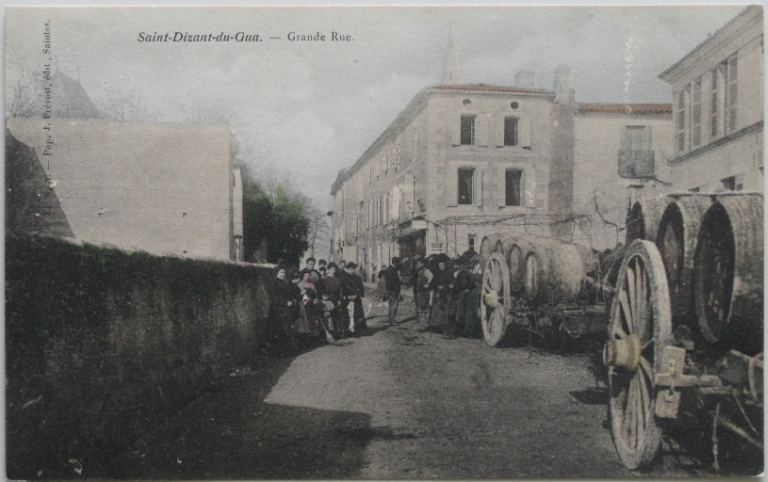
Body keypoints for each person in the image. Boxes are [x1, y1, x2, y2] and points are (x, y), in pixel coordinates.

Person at [266, 265, 301, 355]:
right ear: (276, 273)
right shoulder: (273, 283)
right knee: (279, 330)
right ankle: (279, 352)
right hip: (277, 310)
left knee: (287, 329)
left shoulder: (284, 283)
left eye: (284, 272)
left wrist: (291, 300)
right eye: (281, 272)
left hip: (285, 310)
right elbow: (274, 297)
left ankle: (287, 350)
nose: (283, 274)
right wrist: (285, 303)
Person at [449, 250, 481, 338]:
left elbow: (473, 280)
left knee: (460, 311)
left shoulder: (465, 271)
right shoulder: (466, 271)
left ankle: (458, 331)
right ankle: (463, 330)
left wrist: (466, 288)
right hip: (463, 291)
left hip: (464, 292)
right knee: (463, 311)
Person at [317, 262, 345, 339]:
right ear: (328, 270)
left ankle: (338, 333)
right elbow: (322, 291)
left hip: (336, 299)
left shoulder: (337, 279)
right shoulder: (324, 280)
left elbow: (340, 291)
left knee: (338, 316)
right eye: (332, 269)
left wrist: (340, 299)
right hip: (328, 299)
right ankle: (329, 334)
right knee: (329, 317)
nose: (333, 271)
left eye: (334, 269)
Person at [296, 269, 322, 347]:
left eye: (308, 275)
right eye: (306, 275)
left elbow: (316, 296)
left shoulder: (312, 285)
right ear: (302, 276)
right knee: (303, 323)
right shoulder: (299, 284)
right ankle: (302, 342)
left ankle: (311, 340)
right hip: (302, 307)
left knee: (312, 322)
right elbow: (296, 296)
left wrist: (315, 300)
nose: (307, 277)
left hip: (311, 306)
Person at [429, 256, 455, 332]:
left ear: (445, 265)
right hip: (438, 294)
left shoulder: (449, 274)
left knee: (445, 310)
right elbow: (432, 284)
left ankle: (445, 327)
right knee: (437, 310)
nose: (441, 267)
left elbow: (453, 283)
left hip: (446, 294)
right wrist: (437, 287)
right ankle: (436, 326)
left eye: (443, 265)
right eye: (440, 266)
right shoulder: (436, 274)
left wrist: (446, 287)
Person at [381, 257, 408, 326]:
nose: (399, 264)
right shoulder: (391, 270)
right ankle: (391, 321)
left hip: (392, 290)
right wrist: (400, 287)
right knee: (393, 305)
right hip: (393, 290)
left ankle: (392, 320)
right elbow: (394, 281)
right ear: (395, 263)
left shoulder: (391, 268)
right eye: (398, 263)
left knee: (393, 305)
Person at [342, 262, 366, 334]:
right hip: (348, 299)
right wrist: (347, 296)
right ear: (347, 269)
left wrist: (358, 295)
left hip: (356, 299)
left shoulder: (358, 278)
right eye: (350, 269)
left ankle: (358, 330)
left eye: (353, 269)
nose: (352, 271)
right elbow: (343, 289)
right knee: (348, 314)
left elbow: (361, 288)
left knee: (357, 314)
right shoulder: (344, 278)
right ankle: (348, 330)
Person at [413, 256, 433, 332]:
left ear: (422, 263)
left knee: (423, 309)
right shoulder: (419, 271)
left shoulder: (426, 270)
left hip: (423, 293)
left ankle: (423, 326)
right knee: (420, 308)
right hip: (418, 292)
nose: (417, 265)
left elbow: (431, 276)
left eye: (418, 263)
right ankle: (422, 325)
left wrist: (427, 284)